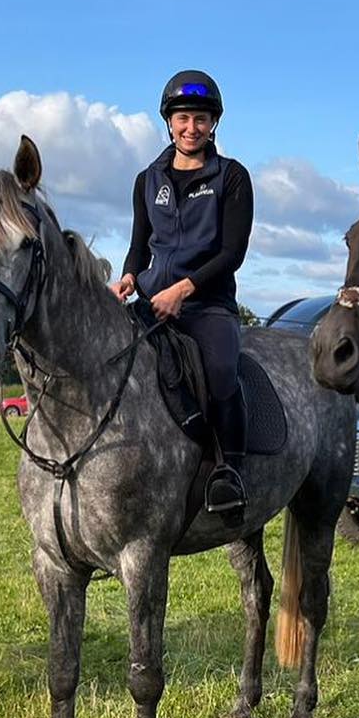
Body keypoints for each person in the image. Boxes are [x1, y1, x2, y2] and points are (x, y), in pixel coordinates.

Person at [110, 70, 255, 516]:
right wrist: (129, 276)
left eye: (202, 119)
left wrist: (185, 289)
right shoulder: (146, 180)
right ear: (169, 122)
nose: (192, 128)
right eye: (183, 118)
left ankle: (228, 472)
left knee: (221, 372)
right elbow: (138, 245)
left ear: (214, 124)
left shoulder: (232, 177)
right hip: (152, 301)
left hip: (208, 304)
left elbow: (232, 253)